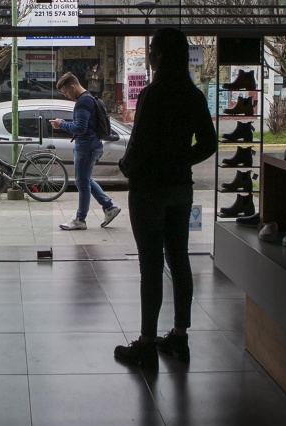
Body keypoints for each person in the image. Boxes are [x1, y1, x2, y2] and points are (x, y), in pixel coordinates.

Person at [113, 28, 217, 369]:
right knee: (179, 259)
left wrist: (126, 167)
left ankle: (146, 342)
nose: (150, 57)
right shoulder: (193, 94)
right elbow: (208, 144)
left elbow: (139, 142)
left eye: (152, 51)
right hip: (180, 189)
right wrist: (180, 159)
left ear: (159, 56)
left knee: (151, 264)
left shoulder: (153, 93)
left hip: (148, 190)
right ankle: (179, 335)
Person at [49, 72, 121, 231]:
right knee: (85, 180)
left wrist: (61, 124)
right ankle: (109, 207)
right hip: (92, 144)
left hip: (86, 146)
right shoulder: (90, 98)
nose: (66, 95)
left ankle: (80, 219)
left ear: (72, 86)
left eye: (66, 92)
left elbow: (79, 128)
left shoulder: (82, 102)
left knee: (82, 183)